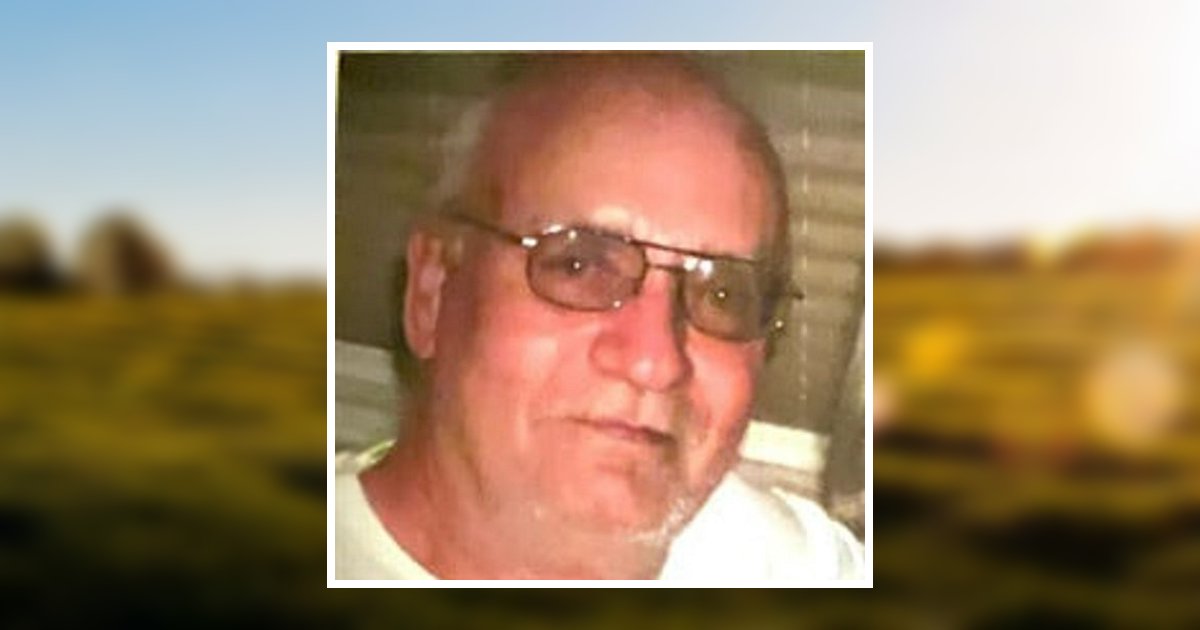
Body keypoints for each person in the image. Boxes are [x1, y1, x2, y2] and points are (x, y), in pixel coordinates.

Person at [335, 53, 864, 580]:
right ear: (432, 294)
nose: (656, 362)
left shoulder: (799, 563)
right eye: (579, 265)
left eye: (722, 294)